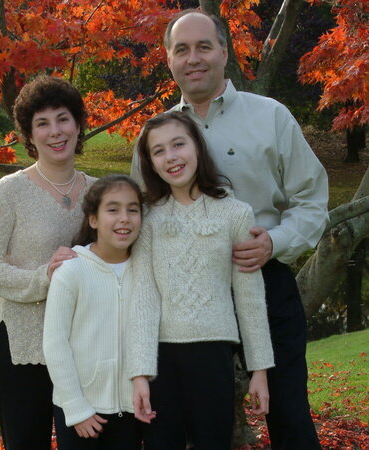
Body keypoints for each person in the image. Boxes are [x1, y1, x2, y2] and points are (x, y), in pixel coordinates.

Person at [132, 10, 328, 450]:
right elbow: (137, 215)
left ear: (224, 51)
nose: (193, 58)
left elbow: (313, 201)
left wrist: (274, 242)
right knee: (187, 425)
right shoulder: (156, 136)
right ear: (169, 59)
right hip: (182, 302)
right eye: (182, 49)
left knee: (289, 415)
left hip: (263, 279)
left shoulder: (271, 117)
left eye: (204, 46)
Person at [129, 111, 275, 450]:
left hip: (214, 355)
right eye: (159, 151)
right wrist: (139, 373)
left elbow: (250, 298)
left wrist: (259, 370)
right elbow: (143, 299)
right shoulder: (147, 219)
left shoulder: (235, 213)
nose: (171, 157)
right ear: (150, 163)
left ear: (197, 146)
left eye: (178, 144)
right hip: (160, 360)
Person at [0, 75, 96, 450]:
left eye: (63, 119)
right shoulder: (9, 192)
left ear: (78, 124)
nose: (55, 131)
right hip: (23, 344)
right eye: (42, 123)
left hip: (84, 343)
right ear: (29, 134)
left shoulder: (100, 192)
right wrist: (44, 277)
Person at [43, 174, 145, 450]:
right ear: (93, 220)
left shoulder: (146, 270)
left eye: (132, 210)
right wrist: (76, 408)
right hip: (80, 410)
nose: (124, 218)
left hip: (130, 409)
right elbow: (55, 343)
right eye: (113, 210)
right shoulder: (72, 271)